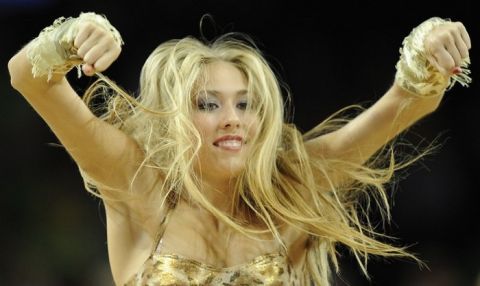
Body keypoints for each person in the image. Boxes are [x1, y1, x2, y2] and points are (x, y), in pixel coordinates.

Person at [8, 12, 471, 286]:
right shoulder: (138, 185)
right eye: (208, 104)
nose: (232, 117)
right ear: (176, 119)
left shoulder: (291, 192)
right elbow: (28, 75)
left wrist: (429, 48)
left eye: (246, 104)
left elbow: (407, 103)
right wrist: (75, 35)